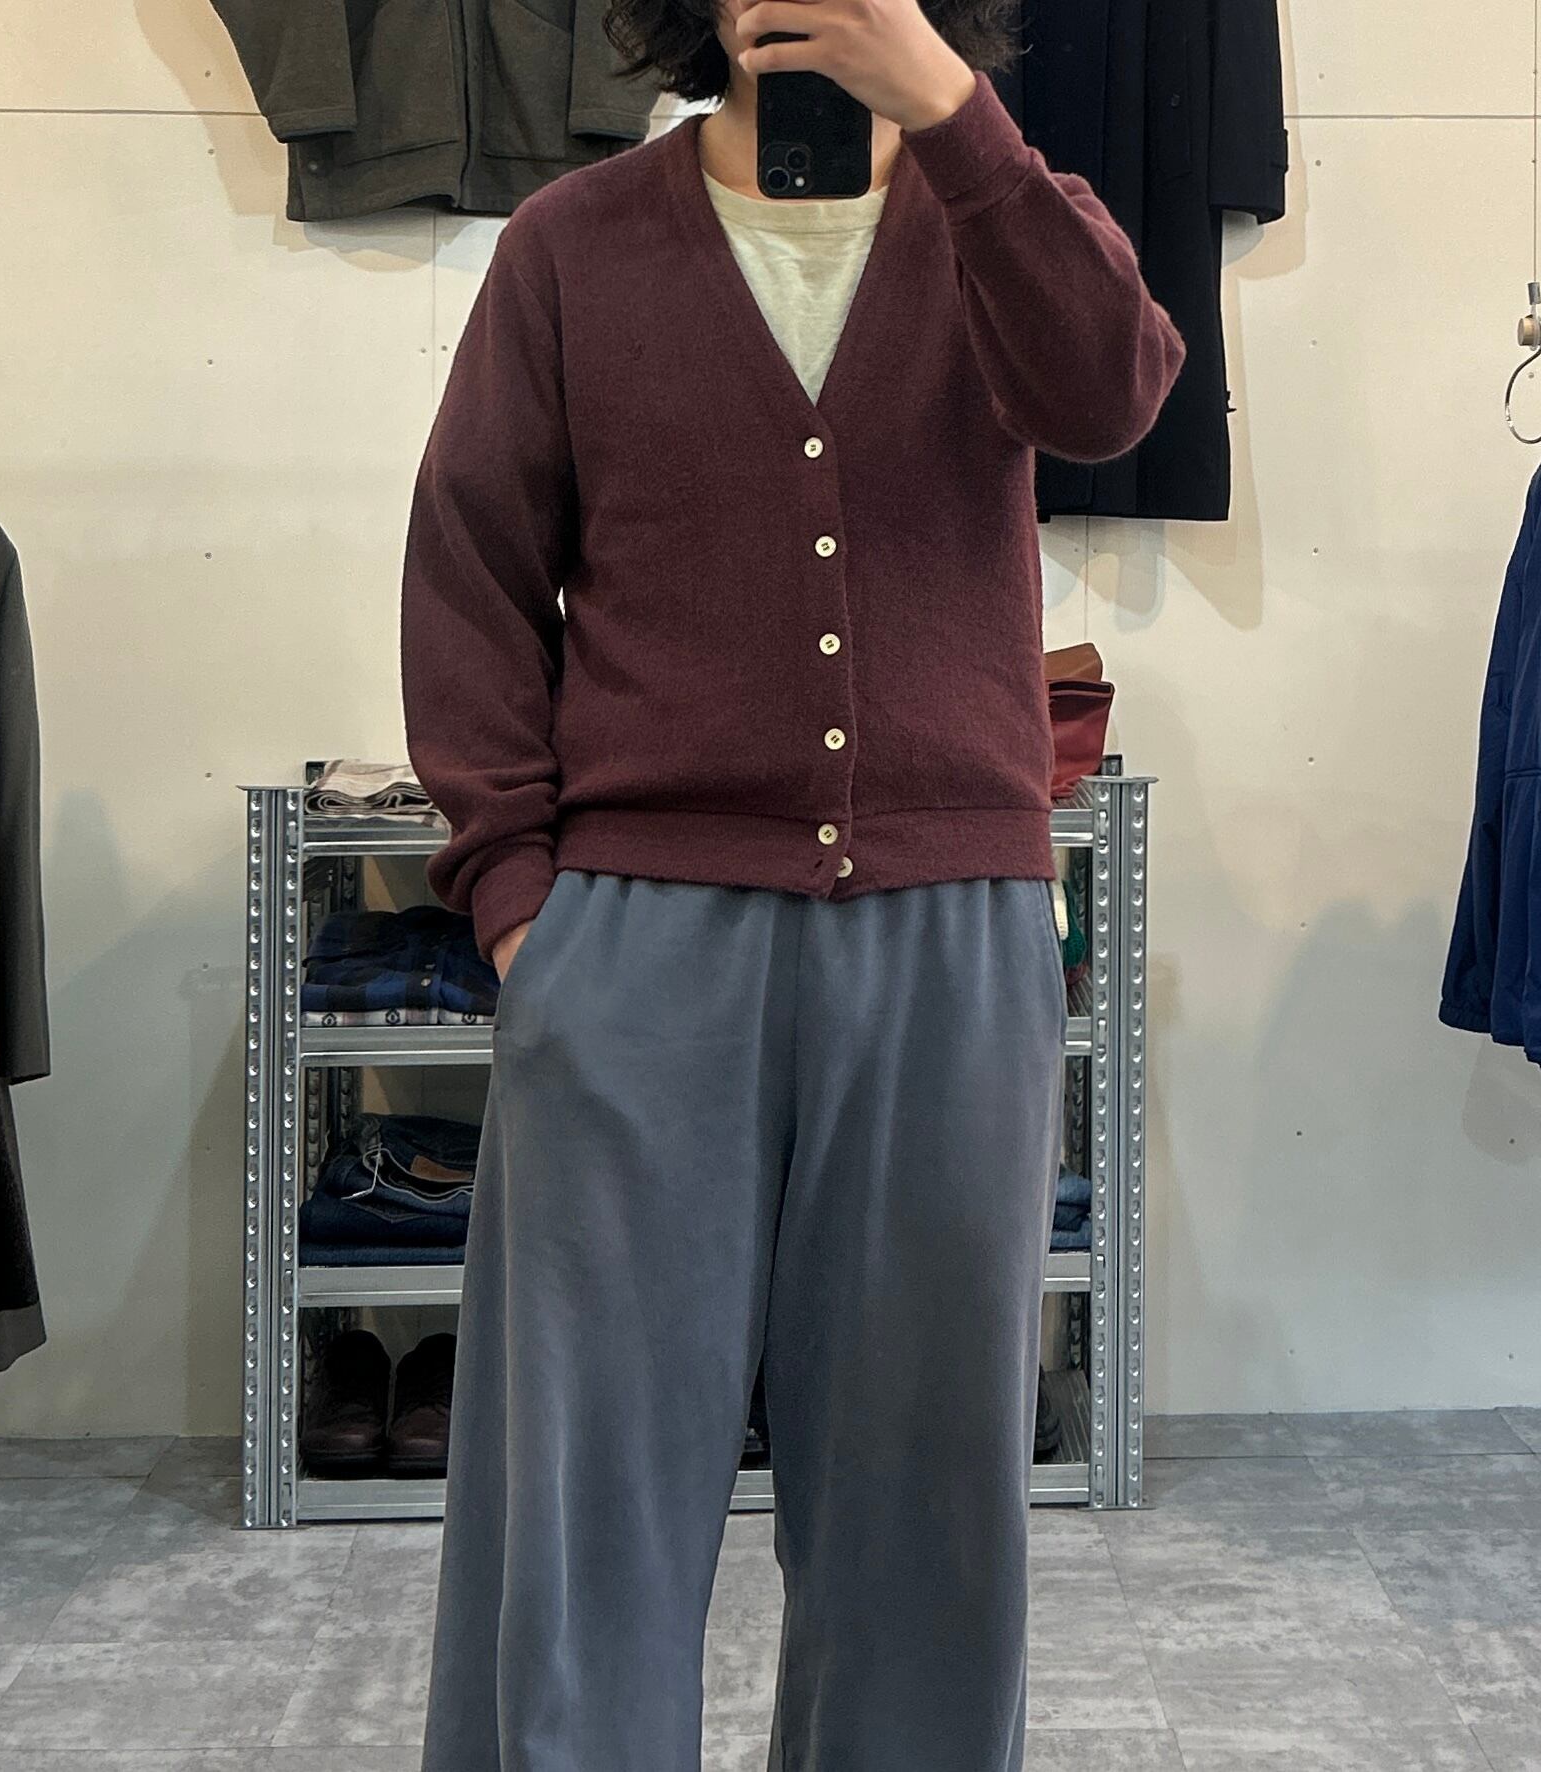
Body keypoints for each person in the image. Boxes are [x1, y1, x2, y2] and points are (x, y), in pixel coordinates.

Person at [401, 0, 1183, 1763]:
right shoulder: (573, 247)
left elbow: (1115, 396)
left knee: (929, 1500)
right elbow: (469, 568)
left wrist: (953, 118)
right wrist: (518, 900)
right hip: (636, 942)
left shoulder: (1007, 215)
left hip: (949, 932)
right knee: (584, 1498)